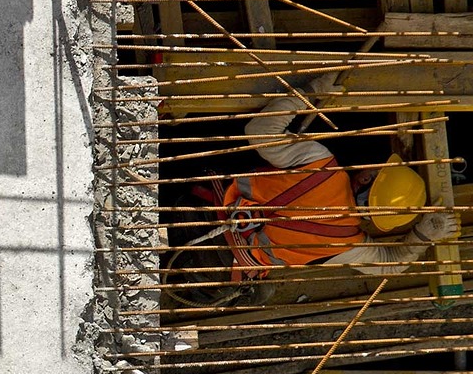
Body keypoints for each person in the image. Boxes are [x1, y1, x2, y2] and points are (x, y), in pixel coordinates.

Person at [170, 75, 459, 303]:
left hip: (192, 216)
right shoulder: (347, 244)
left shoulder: (320, 164)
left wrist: (310, 91)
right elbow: (391, 265)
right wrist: (424, 234)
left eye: (377, 169)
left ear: (366, 181)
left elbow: (259, 131)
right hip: (215, 271)